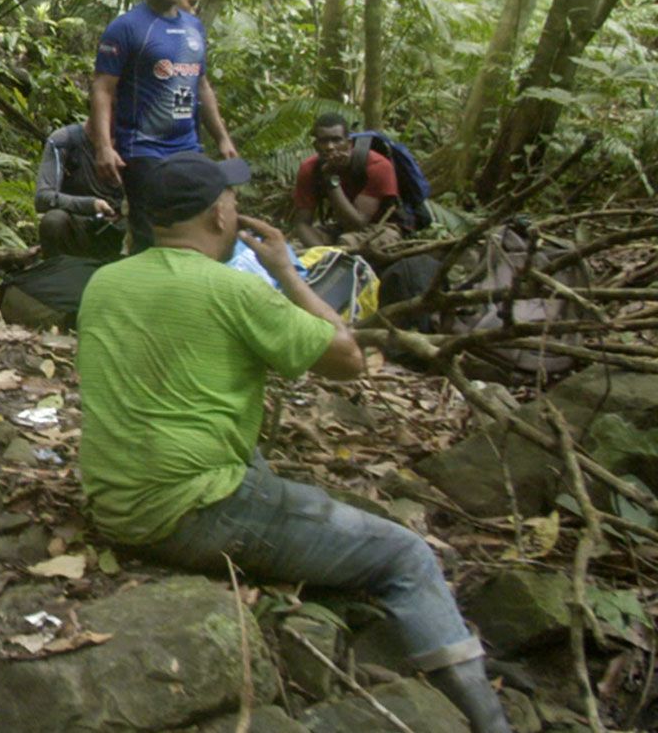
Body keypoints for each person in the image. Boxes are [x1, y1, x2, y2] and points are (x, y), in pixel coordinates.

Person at [76, 153, 511, 733]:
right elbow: (348, 359)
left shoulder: (104, 282)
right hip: (188, 512)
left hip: (113, 499)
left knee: (262, 469)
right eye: (231, 201)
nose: (236, 210)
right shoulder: (236, 291)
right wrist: (286, 271)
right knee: (408, 556)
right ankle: (490, 721)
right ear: (218, 216)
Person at [89, 0, 236, 254]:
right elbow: (102, 88)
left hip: (188, 147)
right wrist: (103, 146)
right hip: (143, 149)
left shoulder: (194, 27)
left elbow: (202, 85)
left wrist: (222, 138)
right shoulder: (127, 28)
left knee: (197, 226)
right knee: (149, 233)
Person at [291, 112, 398, 249]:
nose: (330, 147)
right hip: (340, 227)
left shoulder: (376, 166)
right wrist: (322, 252)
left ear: (349, 143)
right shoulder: (309, 169)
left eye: (336, 140)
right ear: (316, 146)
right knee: (293, 247)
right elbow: (302, 223)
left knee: (347, 243)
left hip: (382, 227)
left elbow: (358, 223)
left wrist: (331, 179)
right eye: (324, 141)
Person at [34, 122, 125, 260]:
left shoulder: (138, 144)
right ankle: (59, 269)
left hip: (122, 229)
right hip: (78, 226)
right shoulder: (65, 140)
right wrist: (91, 204)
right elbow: (43, 197)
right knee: (54, 221)